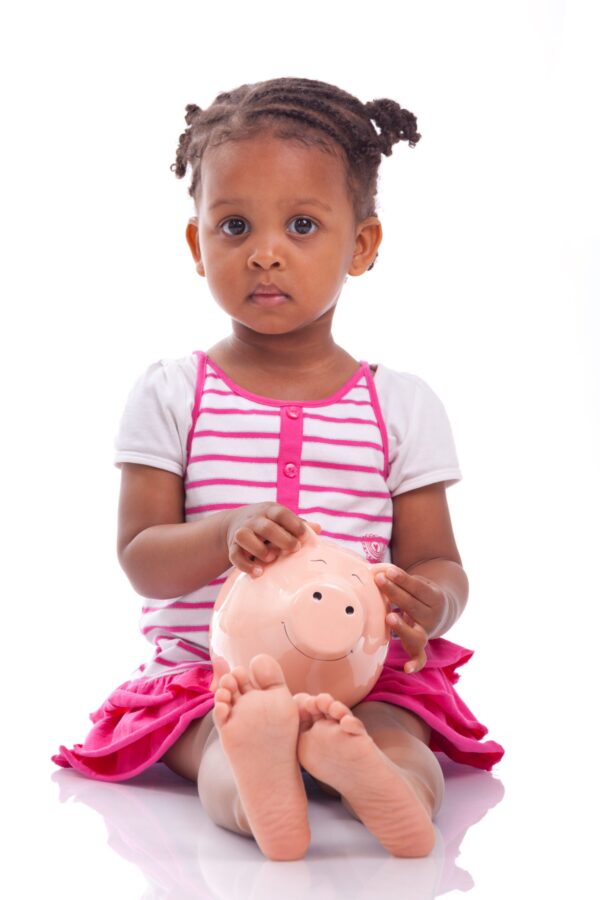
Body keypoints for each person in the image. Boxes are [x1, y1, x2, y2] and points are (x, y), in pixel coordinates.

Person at [53, 76, 504, 862]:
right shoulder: (173, 395)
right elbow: (141, 559)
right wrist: (224, 531)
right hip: (208, 675)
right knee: (219, 747)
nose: (265, 251)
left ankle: (383, 780)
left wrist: (431, 605)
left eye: (302, 224)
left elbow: (439, 562)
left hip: (364, 676)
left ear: (361, 245)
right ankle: (262, 787)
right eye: (234, 225)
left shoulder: (399, 406)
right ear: (197, 244)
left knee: (403, 737)